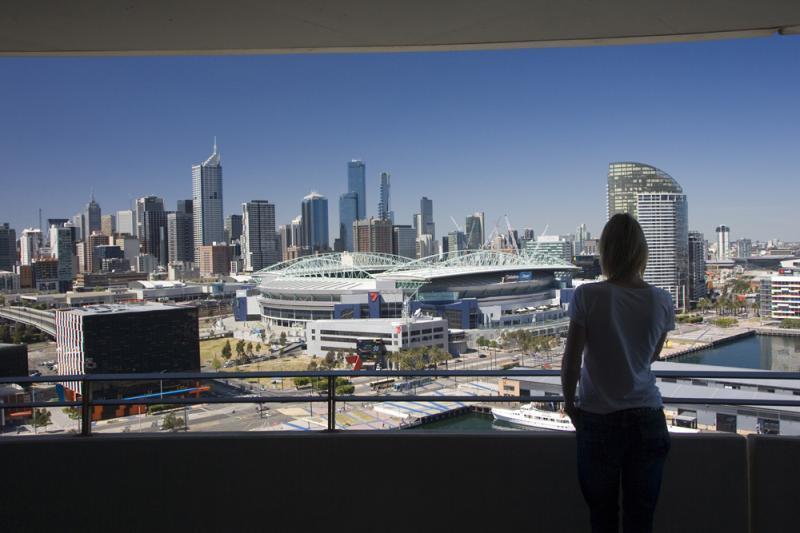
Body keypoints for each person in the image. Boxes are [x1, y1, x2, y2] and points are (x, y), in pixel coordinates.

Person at [561, 213, 675, 533]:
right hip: (648, 416)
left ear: (605, 251)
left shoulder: (587, 295)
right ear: (642, 252)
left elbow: (571, 361)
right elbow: (651, 355)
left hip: (599, 418)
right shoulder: (662, 300)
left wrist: (571, 405)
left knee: (603, 517)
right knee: (642, 518)